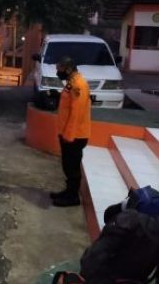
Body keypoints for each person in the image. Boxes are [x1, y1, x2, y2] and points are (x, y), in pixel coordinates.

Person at [50, 56, 91, 207]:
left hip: (75, 135)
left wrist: (69, 135)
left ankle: (73, 197)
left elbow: (77, 113)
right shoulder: (72, 82)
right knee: (67, 165)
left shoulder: (78, 85)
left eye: (59, 70)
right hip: (68, 134)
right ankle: (68, 191)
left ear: (68, 69)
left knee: (72, 166)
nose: (57, 73)